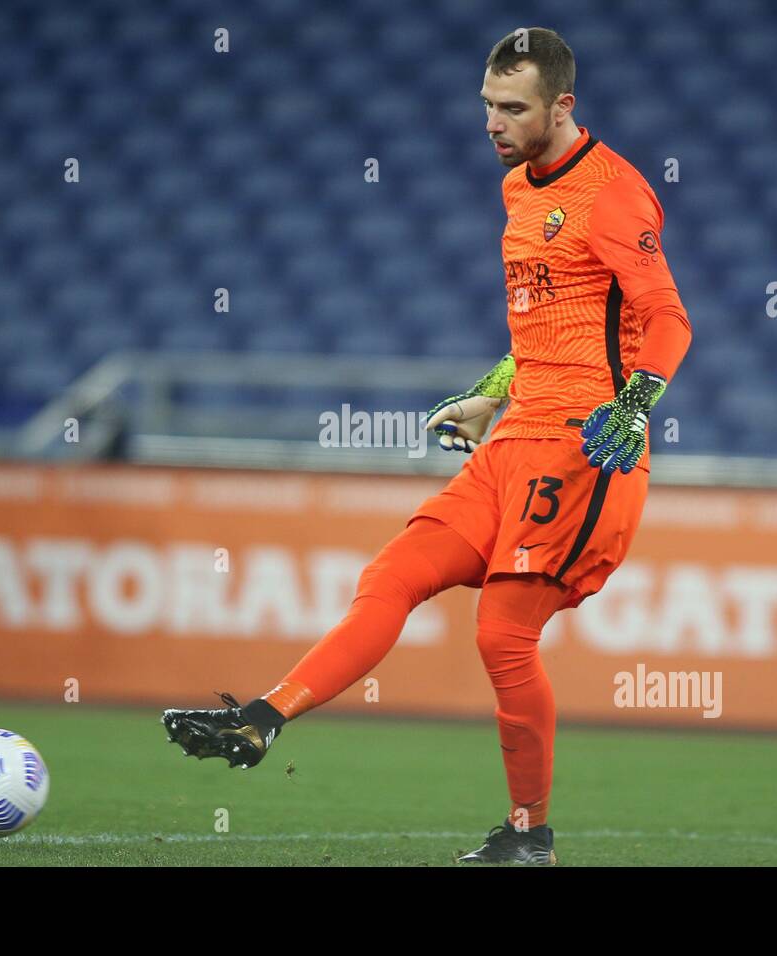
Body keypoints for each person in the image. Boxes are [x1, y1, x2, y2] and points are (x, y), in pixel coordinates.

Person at [163, 28, 693, 865]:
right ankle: (267, 717)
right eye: (487, 104)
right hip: (515, 436)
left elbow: (667, 317)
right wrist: (493, 392)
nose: (493, 121)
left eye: (512, 108)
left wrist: (634, 405)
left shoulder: (615, 193)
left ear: (564, 107)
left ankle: (530, 837)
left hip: (584, 443)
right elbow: (551, 324)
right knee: (393, 575)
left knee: (501, 635)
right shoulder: (520, 187)